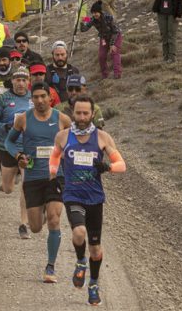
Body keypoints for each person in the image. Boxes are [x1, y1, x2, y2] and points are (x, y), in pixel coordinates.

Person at [49, 94, 127, 306]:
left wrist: (108, 167)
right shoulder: (63, 137)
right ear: (72, 113)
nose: (82, 117)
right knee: (78, 232)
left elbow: (122, 165)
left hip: (94, 198)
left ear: (92, 114)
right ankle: (80, 261)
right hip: (73, 194)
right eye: (78, 113)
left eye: (86, 113)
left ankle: (93, 283)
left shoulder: (102, 138)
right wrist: (53, 175)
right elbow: (54, 156)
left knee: (96, 249)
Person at [5, 82, 73, 283]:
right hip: (33, 178)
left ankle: (50, 267)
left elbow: (76, 141)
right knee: (35, 227)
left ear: (50, 97)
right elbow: (9, 141)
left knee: (54, 219)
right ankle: (41, 212)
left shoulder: (62, 119)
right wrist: (18, 156)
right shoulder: (23, 119)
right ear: (31, 99)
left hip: (56, 176)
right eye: (36, 97)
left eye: (43, 96)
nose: (40, 100)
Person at [0, 67, 33, 238]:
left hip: (28, 150)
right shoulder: (4, 99)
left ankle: (24, 224)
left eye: (24, 80)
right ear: (12, 81)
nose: (20, 83)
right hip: (8, 148)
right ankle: (9, 181)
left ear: (28, 82)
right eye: (17, 80)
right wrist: (4, 126)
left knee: (27, 187)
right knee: (8, 189)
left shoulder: (34, 98)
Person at [81, 1, 123, 79]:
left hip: (115, 36)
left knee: (114, 52)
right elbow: (84, 28)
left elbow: (115, 31)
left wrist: (112, 44)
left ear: (100, 11)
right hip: (104, 38)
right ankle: (105, 75)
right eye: (93, 13)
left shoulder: (108, 17)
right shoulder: (92, 19)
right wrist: (81, 22)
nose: (94, 14)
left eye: (96, 12)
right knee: (101, 56)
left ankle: (117, 74)